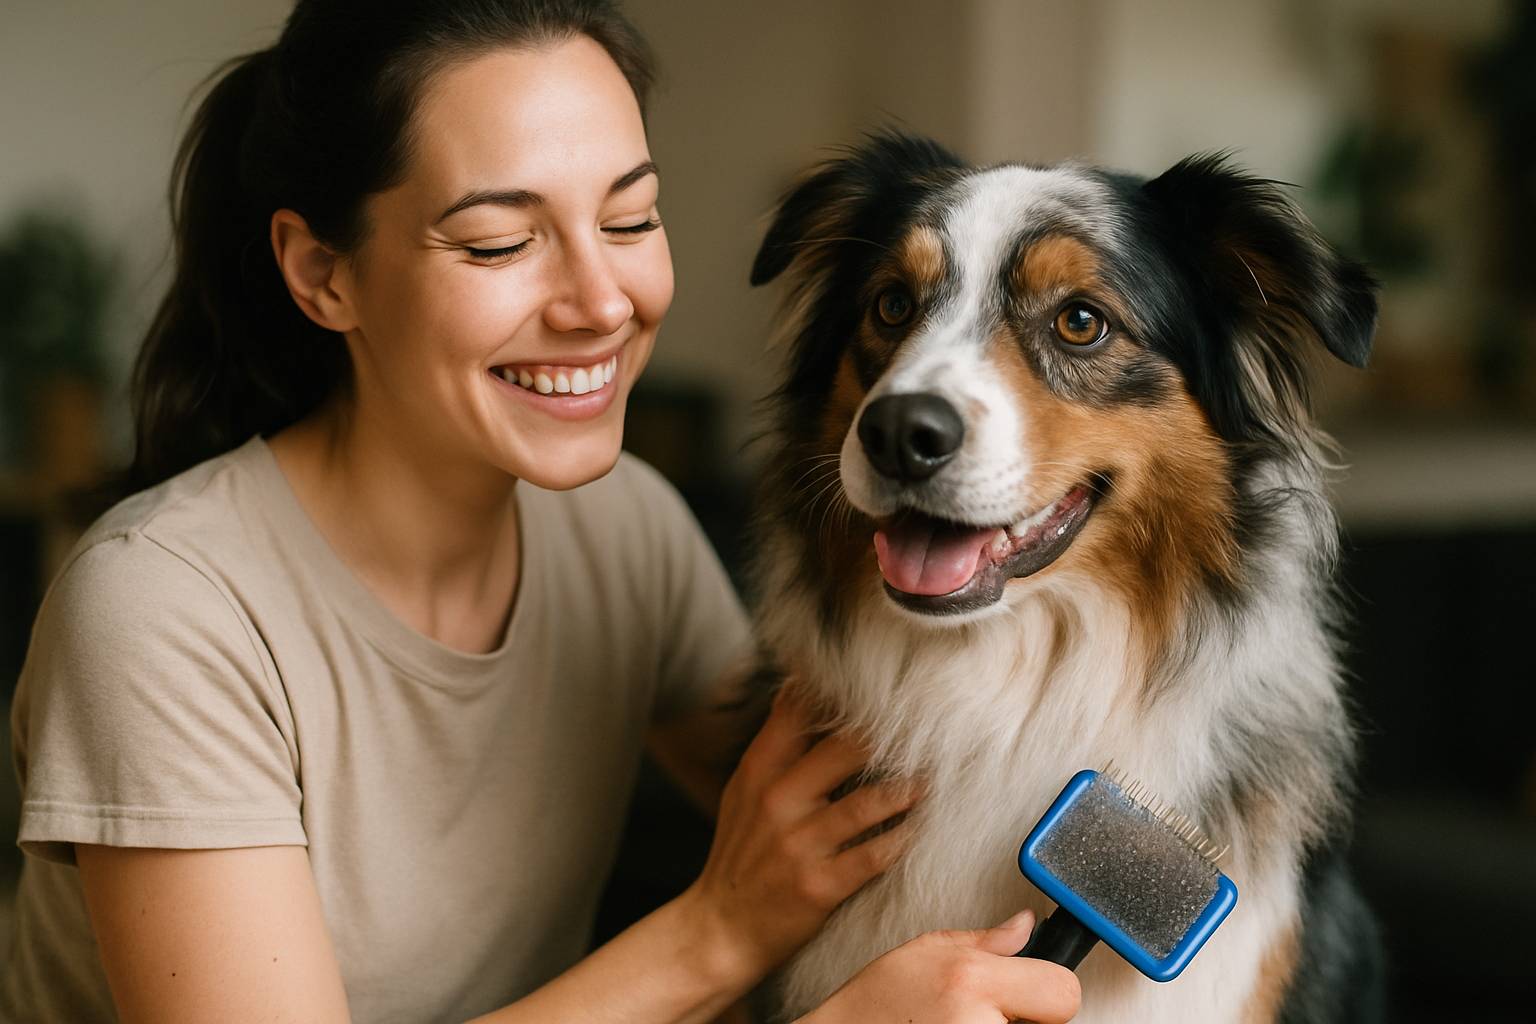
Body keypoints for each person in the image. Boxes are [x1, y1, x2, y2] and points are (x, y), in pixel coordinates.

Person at [1, 2, 1082, 1021]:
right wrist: (720, 929)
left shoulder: (621, 528)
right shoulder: (161, 610)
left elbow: (857, 802)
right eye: (498, 243)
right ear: (323, 272)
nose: (602, 302)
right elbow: (758, 895)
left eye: (629, 218)